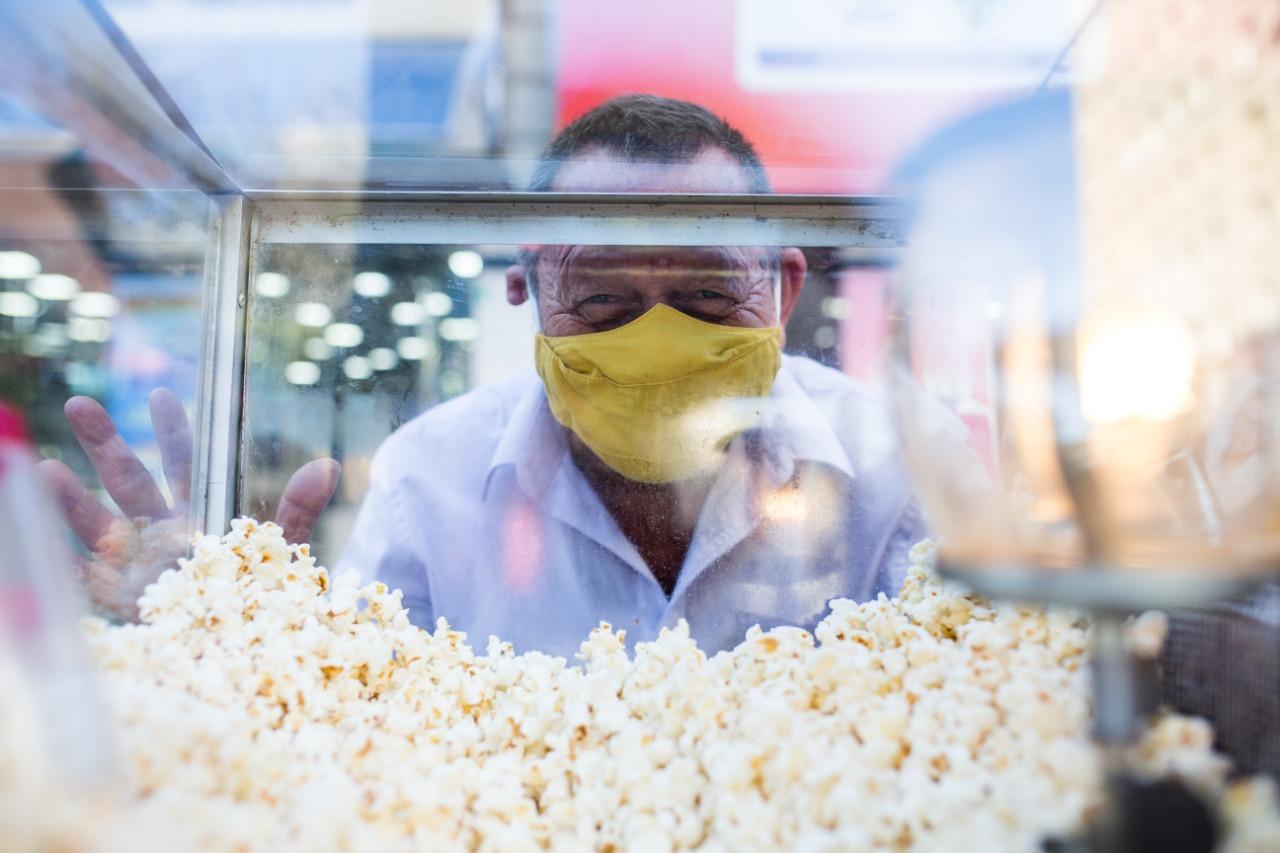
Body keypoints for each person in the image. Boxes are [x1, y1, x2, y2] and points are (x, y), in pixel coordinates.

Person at [44, 95, 923, 656]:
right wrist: (226, 633)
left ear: (785, 288)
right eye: (605, 298)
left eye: (707, 290)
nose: (660, 335)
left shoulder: (896, 465)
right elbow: (353, 730)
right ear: (525, 289)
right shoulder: (429, 478)